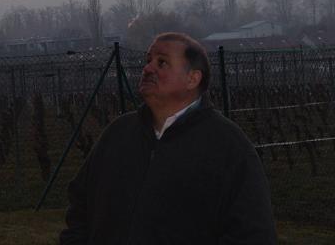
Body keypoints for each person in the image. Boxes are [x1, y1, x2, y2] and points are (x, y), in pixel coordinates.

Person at [60, 32, 276, 245]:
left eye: (162, 63)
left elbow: (252, 232)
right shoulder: (118, 134)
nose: (147, 68)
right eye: (148, 60)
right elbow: (80, 203)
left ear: (192, 78)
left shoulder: (228, 146)